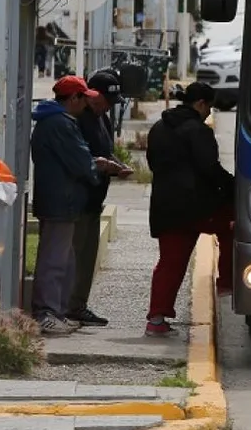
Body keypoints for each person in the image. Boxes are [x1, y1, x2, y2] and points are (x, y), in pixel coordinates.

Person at [30, 75, 123, 335]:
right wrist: (101, 165)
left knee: (64, 260)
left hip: (65, 201)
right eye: (83, 97)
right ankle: (46, 313)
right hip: (60, 201)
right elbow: (80, 161)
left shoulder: (60, 122)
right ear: (73, 98)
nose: (86, 104)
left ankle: (56, 311)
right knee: (54, 260)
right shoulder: (59, 124)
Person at [145, 81, 235, 337]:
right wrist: (234, 188)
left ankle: (156, 319)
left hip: (165, 206)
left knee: (169, 263)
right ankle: (226, 284)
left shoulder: (159, 127)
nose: (209, 113)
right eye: (209, 108)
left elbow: (153, 163)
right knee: (234, 225)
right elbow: (210, 169)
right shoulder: (198, 131)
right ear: (201, 104)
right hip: (198, 207)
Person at [67, 69, 130, 327]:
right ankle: (67, 305)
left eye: (110, 103)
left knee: (87, 257)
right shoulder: (77, 118)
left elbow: (105, 150)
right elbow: (78, 158)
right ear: (91, 94)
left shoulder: (103, 118)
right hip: (77, 198)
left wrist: (117, 165)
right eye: (103, 101)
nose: (106, 107)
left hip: (95, 199)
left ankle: (78, 305)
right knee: (73, 255)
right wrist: (102, 165)